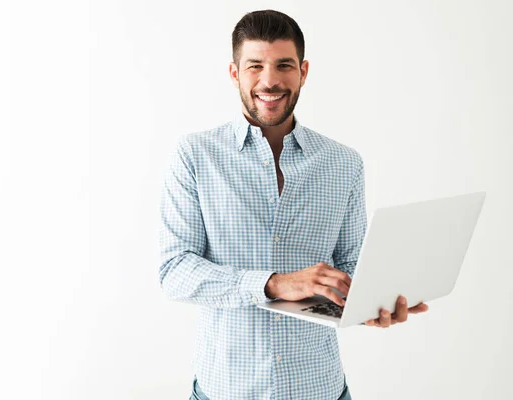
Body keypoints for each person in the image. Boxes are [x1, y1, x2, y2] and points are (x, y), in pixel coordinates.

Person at [158, 9, 429, 400]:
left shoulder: (343, 163)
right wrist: (273, 283)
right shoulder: (195, 156)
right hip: (227, 388)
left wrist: (372, 301)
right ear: (235, 73)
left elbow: (351, 264)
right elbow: (175, 271)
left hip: (320, 387)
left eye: (284, 65)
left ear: (302, 71)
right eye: (255, 66)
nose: (270, 80)